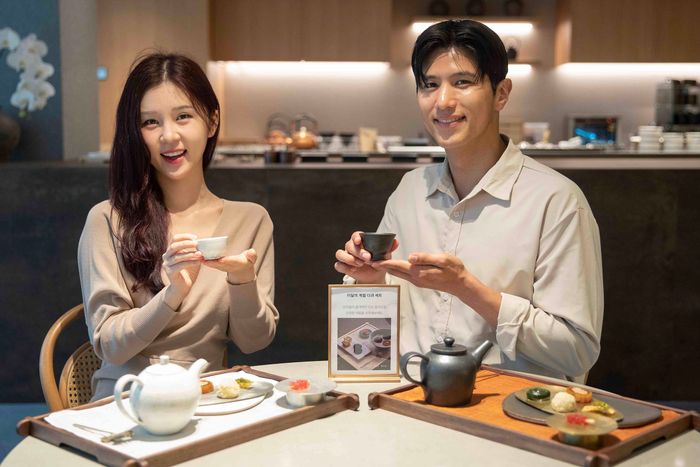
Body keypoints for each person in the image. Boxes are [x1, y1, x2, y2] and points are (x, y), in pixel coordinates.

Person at [335, 20, 603, 381]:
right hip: (408, 396)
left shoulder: (557, 201)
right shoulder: (409, 191)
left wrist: (467, 289)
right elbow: (369, 348)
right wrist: (370, 280)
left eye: (462, 82)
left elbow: (576, 352)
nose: (443, 102)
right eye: (430, 85)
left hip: (511, 405)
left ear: (501, 93)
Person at [78, 53, 279, 400]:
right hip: (125, 401)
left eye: (183, 116)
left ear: (211, 122)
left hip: (208, 399)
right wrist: (171, 295)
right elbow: (109, 345)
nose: (169, 136)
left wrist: (243, 280)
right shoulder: (107, 220)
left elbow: (254, 341)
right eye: (150, 122)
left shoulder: (250, 220)